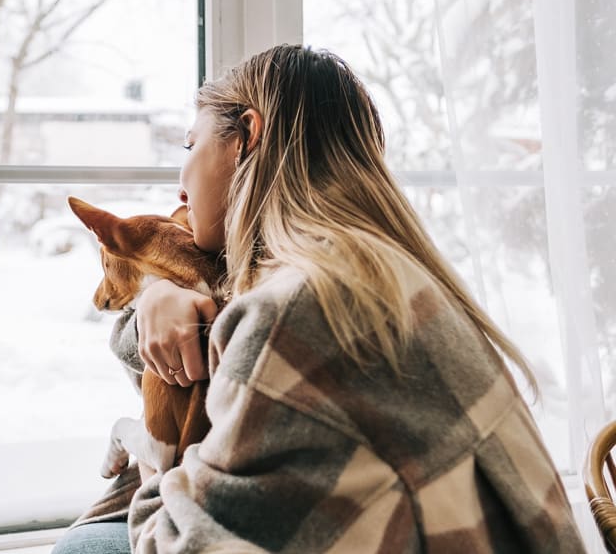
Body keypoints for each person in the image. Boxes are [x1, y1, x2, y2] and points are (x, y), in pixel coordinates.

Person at [52, 44, 585, 554]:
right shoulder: (372, 273)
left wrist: (155, 471)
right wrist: (161, 293)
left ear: (246, 136)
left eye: (191, 146)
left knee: (86, 548)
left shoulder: (296, 313)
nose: (180, 184)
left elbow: (178, 541)